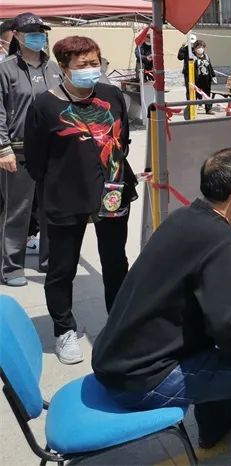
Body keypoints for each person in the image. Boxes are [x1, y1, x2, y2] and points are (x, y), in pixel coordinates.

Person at [92, 148, 231, 466]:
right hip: (141, 380)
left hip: (117, 360)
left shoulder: (185, 217)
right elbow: (228, 326)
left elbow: (212, 319)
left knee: (211, 340)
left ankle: (215, 425)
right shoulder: (221, 240)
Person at [24, 35, 136, 364]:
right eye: (83, 64)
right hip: (66, 196)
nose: (91, 69)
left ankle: (119, 324)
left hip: (112, 192)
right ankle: (64, 329)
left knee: (115, 262)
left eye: (95, 62)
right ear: (64, 67)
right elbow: (35, 159)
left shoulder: (112, 94)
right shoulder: (45, 105)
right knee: (62, 268)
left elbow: (123, 138)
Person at [0, 13, 61, 287]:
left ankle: (49, 259)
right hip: (18, 150)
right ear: (17, 35)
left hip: (53, 151)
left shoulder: (54, 68)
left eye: (41, 31)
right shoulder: (6, 69)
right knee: (17, 211)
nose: (38, 36)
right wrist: (3, 148)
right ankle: (11, 267)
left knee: (51, 209)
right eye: (32, 32)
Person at [178, 38, 217, 114]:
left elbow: (210, 66)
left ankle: (208, 109)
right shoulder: (191, 55)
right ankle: (192, 109)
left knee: (207, 94)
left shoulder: (206, 56)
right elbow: (180, 57)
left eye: (202, 47)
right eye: (198, 47)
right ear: (195, 48)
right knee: (192, 94)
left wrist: (213, 75)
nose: (200, 49)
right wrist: (183, 47)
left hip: (206, 79)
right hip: (195, 79)